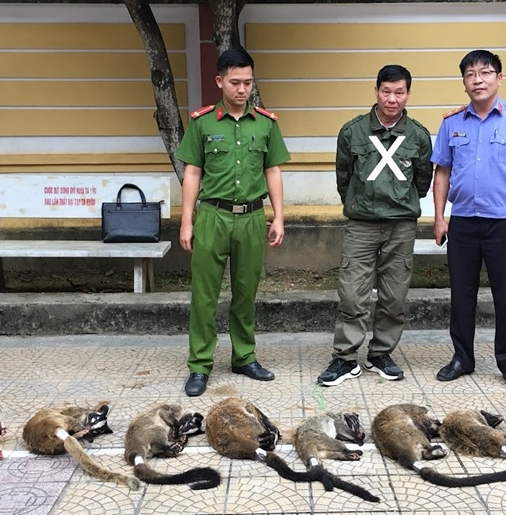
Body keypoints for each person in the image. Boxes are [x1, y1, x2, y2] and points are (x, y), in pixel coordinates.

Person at [430, 50, 506, 393]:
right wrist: (439, 217)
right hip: (463, 222)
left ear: (499, 78)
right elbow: (442, 172)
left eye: (484, 72)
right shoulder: (452, 123)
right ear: (464, 82)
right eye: (470, 74)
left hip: (505, 223)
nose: (477, 79)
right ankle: (462, 358)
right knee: (461, 295)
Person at [175, 47, 290, 397]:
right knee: (204, 295)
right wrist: (186, 221)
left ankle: (244, 357)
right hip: (212, 216)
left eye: (248, 83)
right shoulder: (203, 123)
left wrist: (278, 216)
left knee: (246, 291)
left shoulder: (266, 123)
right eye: (235, 82)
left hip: (252, 218)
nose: (242, 89)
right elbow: (192, 172)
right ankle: (200, 364)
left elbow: (273, 170)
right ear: (220, 81)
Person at [317, 64, 434, 387]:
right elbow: (344, 177)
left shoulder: (418, 135)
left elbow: (422, 181)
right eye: (386, 91)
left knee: (394, 295)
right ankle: (345, 358)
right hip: (362, 225)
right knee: (352, 293)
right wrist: (360, 204)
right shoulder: (352, 131)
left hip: (401, 226)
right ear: (376, 91)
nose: (392, 99)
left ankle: (381, 353)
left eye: (399, 92)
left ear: (408, 94)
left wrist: (399, 202)